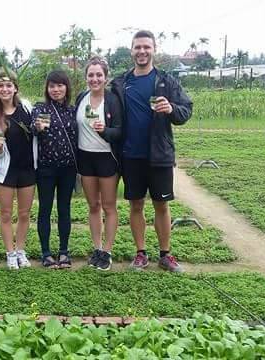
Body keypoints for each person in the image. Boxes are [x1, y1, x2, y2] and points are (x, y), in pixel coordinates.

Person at [111, 30, 193, 272]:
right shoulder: (121, 83)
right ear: (132, 50)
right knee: (135, 205)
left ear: (154, 49)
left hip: (159, 155)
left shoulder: (166, 81)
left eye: (146, 47)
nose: (142, 51)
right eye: (138, 47)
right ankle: (140, 253)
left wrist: (171, 109)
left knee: (161, 205)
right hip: (131, 155)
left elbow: (186, 110)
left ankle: (165, 254)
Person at [74, 57, 123, 271]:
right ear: (86, 77)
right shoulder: (81, 98)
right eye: (91, 75)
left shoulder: (112, 100)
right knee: (93, 205)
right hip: (85, 157)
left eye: (99, 75)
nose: (94, 79)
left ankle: (107, 252)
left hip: (106, 158)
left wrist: (105, 131)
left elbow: (121, 131)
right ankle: (97, 248)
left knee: (109, 206)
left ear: (105, 77)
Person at [0, 69, 35, 269]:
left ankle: (20, 250)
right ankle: (10, 253)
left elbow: (35, 134)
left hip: (28, 168)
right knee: (6, 213)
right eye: (0, 85)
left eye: (8, 85)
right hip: (6, 171)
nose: (5, 89)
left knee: (24, 213)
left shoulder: (27, 108)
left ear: (15, 88)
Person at [32, 70, 77, 269]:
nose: (56, 89)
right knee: (45, 209)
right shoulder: (40, 108)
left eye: (60, 85)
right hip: (46, 169)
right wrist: (37, 128)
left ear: (66, 87)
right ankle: (46, 252)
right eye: (52, 86)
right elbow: (31, 129)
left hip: (68, 168)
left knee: (64, 209)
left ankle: (64, 251)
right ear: (47, 88)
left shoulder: (73, 110)